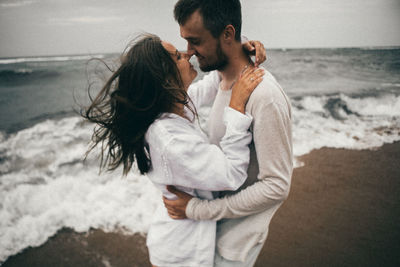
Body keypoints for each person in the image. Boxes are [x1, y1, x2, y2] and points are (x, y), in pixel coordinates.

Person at [82, 34, 265, 266]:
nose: (188, 53)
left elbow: (210, 85)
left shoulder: (172, 109)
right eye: (178, 56)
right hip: (181, 253)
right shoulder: (170, 139)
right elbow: (233, 174)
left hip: (178, 239)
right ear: (165, 79)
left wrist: (235, 50)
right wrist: (237, 107)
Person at [162, 0, 293, 266]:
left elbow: (277, 186)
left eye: (195, 41)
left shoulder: (264, 95)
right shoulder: (221, 78)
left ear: (227, 34)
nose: (188, 52)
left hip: (233, 247)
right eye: (185, 41)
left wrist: (199, 210)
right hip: (205, 237)